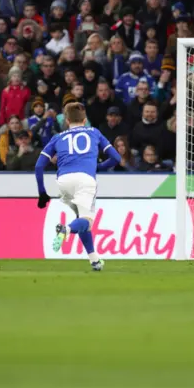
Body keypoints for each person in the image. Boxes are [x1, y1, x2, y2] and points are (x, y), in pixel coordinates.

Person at [34, 102, 122, 271]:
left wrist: (42, 192)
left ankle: (94, 259)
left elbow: (39, 166)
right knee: (86, 222)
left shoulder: (58, 137)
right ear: (85, 119)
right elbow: (116, 158)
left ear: (67, 120)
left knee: (81, 218)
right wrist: (98, 167)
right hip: (85, 181)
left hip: (63, 182)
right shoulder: (94, 132)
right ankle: (65, 229)